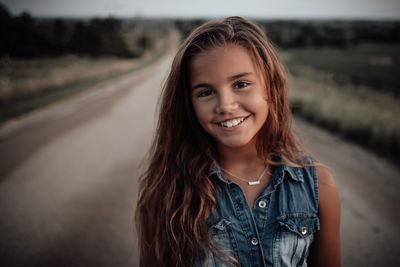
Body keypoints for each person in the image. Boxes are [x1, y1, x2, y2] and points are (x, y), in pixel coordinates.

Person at [135, 16, 340, 267]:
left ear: (270, 87)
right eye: (206, 92)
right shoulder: (166, 193)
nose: (226, 106)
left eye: (241, 84)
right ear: (189, 104)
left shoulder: (317, 184)